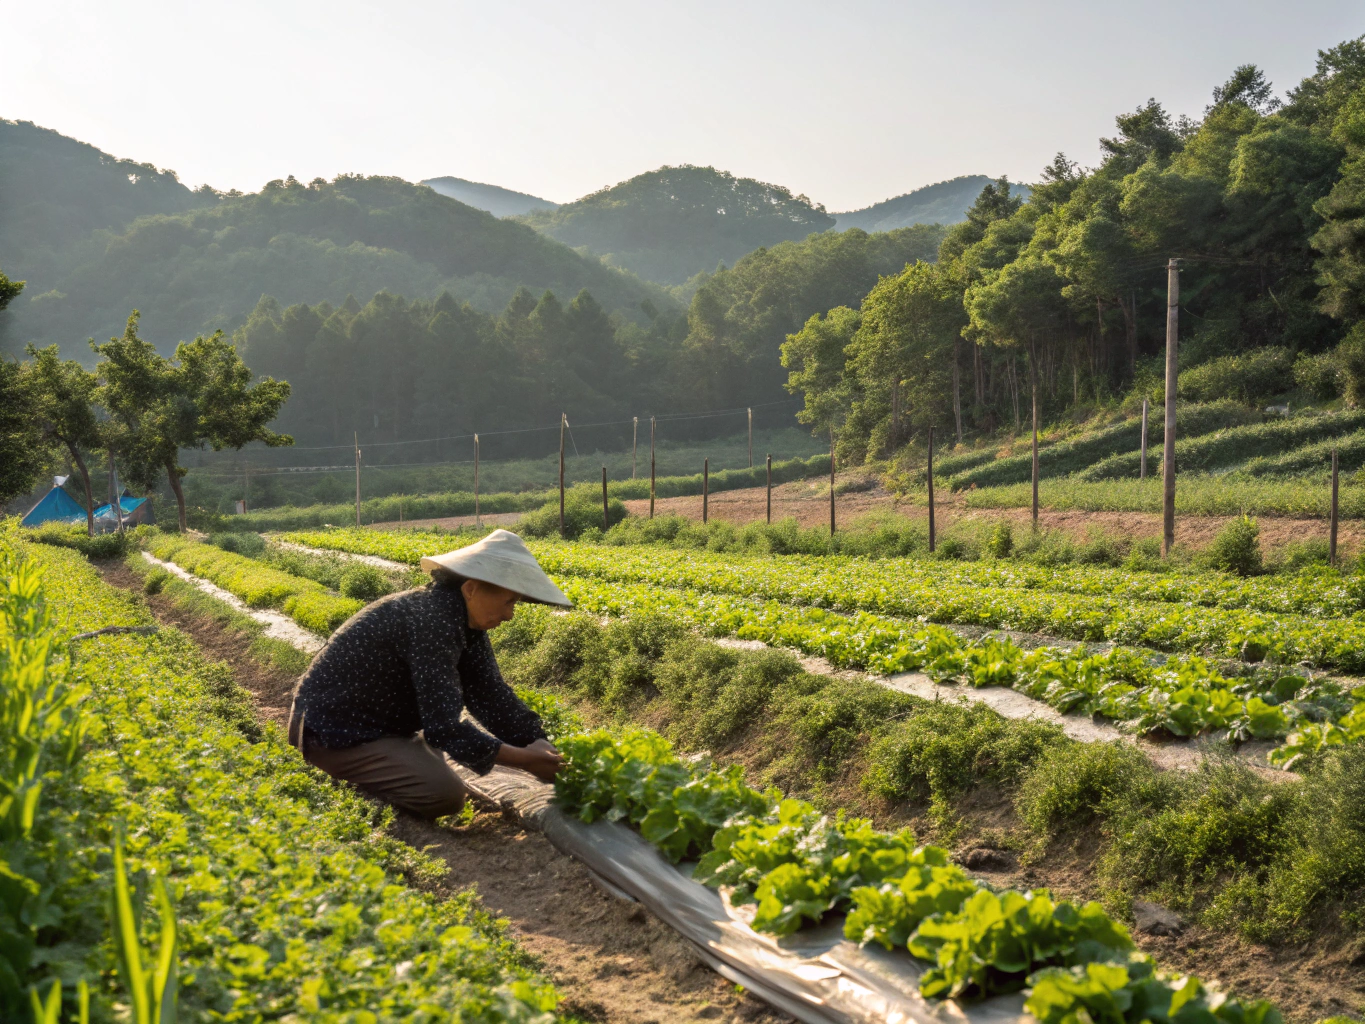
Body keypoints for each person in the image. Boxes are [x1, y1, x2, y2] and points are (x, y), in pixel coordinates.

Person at [288, 529, 569, 819]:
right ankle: (357, 785)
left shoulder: (462, 620)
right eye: (508, 601)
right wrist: (526, 760)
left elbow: (490, 695)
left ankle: (407, 762)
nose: (510, 614)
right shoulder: (432, 621)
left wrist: (539, 741)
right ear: (471, 589)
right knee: (444, 796)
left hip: (382, 726)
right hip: (334, 733)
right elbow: (443, 728)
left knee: (443, 763)